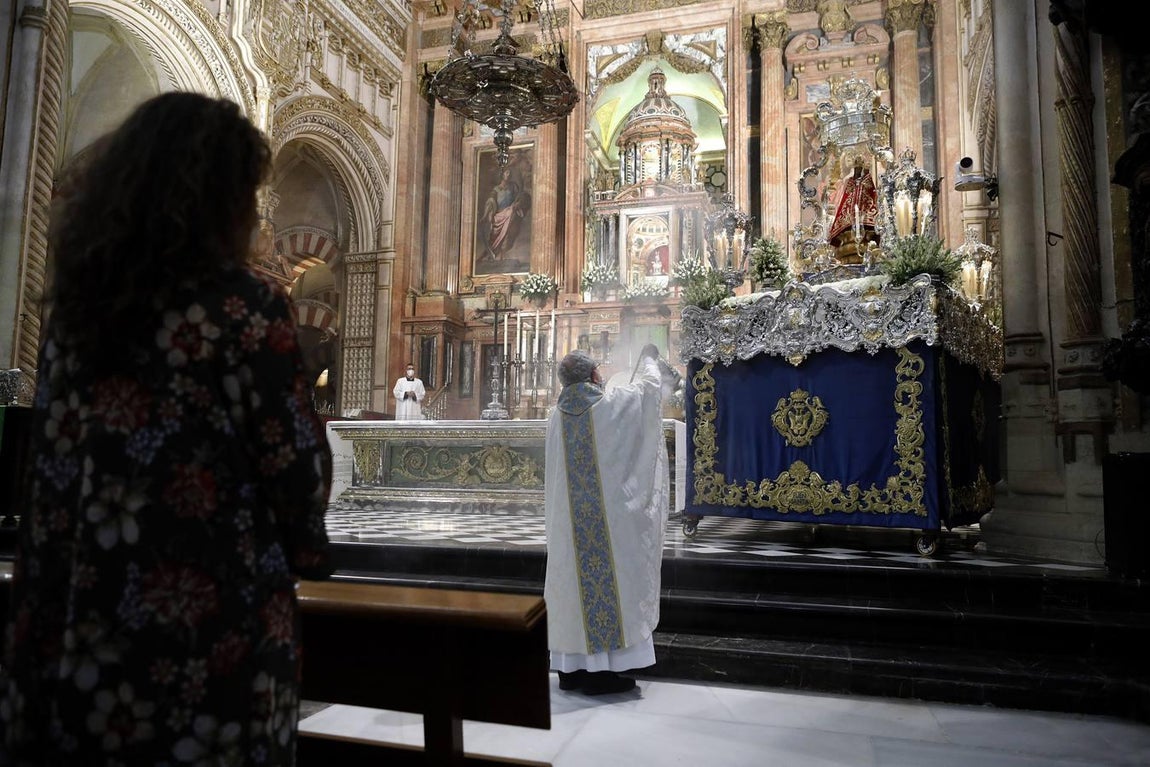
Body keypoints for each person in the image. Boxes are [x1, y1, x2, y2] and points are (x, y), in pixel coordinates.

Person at [0, 92, 333, 763]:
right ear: (219, 198)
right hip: (204, 636)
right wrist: (308, 543)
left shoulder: (76, 313)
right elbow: (297, 474)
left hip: (80, 623)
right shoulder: (245, 308)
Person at [544, 345, 668, 695]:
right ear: (595, 375)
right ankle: (601, 673)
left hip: (568, 529)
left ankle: (570, 669)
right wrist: (646, 359)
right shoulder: (608, 405)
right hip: (607, 528)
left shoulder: (556, 416)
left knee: (570, 589)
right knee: (610, 583)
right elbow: (647, 391)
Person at [826, 152, 879, 262]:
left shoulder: (866, 181)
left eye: (859, 168)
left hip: (865, 222)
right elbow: (847, 198)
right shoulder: (849, 182)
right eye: (856, 168)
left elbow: (870, 194)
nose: (857, 170)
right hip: (849, 223)